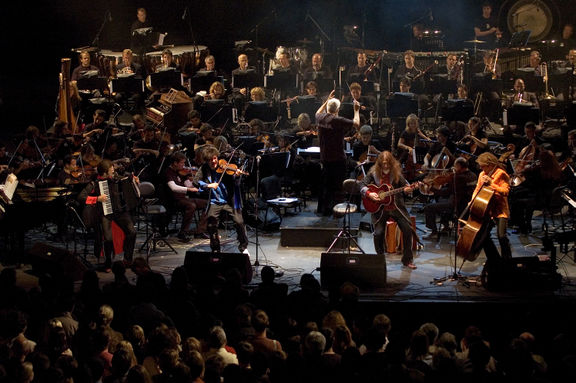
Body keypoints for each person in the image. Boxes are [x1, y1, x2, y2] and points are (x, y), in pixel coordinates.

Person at [360, 151, 418, 269]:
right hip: (380, 209)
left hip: (396, 207)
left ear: (391, 163)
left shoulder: (396, 174)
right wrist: (369, 194)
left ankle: (407, 260)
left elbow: (406, 185)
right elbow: (361, 184)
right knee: (378, 233)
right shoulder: (373, 173)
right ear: (380, 163)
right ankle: (380, 258)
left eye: (388, 163)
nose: (385, 166)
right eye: (383, 163)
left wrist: (408, 190)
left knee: (407, 230)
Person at [78, 159, 137, 271]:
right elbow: (81, 197)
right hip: (106, 213)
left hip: (120, 211)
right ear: (104, 172)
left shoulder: (116, 178)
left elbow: (127, 179)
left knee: (132, 232)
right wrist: (97, 199)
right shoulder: (94, 184)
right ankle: (108, 262)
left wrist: (134, 180)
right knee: (108, 239)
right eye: (111, 171)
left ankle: (128, 259)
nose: (113, 172)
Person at [193, 145, 249, 253]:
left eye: (215, 158)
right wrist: (208, 185)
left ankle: (243, 245)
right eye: (210, 160)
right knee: (211, 224)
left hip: (229, 201)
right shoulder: (204, 168)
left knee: (239, 222)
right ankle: (215, 248)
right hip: (215, 201)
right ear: (206, 161)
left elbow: (236, 182)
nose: (214, 162)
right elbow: (196, 182)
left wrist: (237, 175)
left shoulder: (225, 166)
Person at [315, 90, 361, 216]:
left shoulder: (320, 117)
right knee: (338, 187)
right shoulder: (338, 120)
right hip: (338, 159)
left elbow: (317, 112)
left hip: (325, 158)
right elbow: (357, 124)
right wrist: (356, 110)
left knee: (326, 185)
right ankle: (337, 211)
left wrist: (326, 101)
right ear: (338, 109)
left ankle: (325, 210)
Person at [467, 152, 512, 262]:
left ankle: (507, 260)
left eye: (483, 166)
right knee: (484, 236)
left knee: (501, 236)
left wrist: (491, 183)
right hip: (486, 209)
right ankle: (494, 259)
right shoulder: (482, 174)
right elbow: (477, 189)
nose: (481, 168)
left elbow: (505, 191)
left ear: (490, 164)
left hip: (500, 209)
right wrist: (473, 201)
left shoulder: (501, 174)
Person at [422, 157, 477, 239]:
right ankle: (446, 227)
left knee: (428, 207)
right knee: (440, 199)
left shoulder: (458, 177)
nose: (453, 168)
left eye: (455, 166)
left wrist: (431, 188)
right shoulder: (473, 175)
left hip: (456, 205)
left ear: (458, 166)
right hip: (467, 204)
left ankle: (434, 232)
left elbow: (446, 193)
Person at [164, 152, 208, 241]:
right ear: (175, 163)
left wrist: (199, 184)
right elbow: (173, 188)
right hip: (173, 200)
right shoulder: (168, 172)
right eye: (182, 163)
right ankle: (183, 232)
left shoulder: (180, 173)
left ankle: (199, 231)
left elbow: (188, 185)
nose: (184, 165)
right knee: (191, 205)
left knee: (208, 203)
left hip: (183, 199)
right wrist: (189, 190)